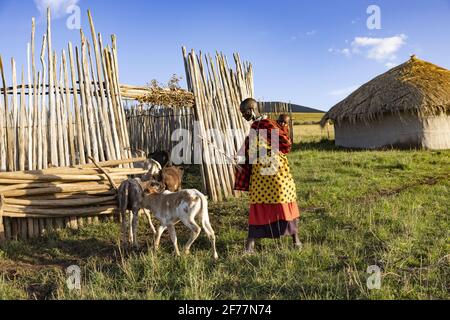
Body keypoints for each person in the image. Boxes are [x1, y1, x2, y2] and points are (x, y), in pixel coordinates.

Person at [235, 98, 301, 253]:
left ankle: (296, 240)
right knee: (257, 206)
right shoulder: (254, 127)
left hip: (276, 173)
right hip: (260, 176)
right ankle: (250, 245)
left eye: (244, 113)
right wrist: (240, 158)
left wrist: (262, 153)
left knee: (283, 201)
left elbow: (285, 145)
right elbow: (251, 151)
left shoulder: (268, 124)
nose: (243, 117)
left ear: (251, 110)